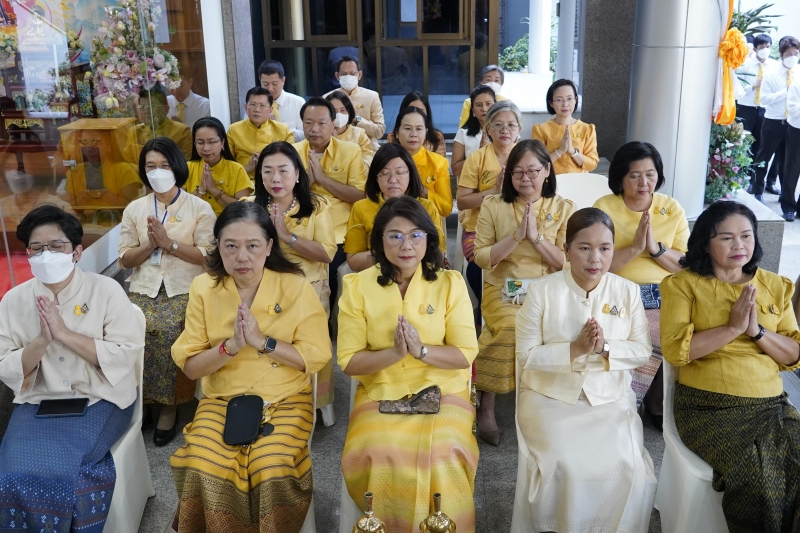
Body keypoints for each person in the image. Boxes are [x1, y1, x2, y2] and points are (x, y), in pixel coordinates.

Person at [170, 201, 332, 532]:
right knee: (203, 461)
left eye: (253, 246)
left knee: (269, 465)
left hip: (285, 397)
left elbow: (315, 356)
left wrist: (263, 342)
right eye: (231, 246)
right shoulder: (205, 288)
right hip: (222, 399)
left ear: (270, 246)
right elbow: (191, 368)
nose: (242, 257)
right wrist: (232, 346)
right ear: (218, 247)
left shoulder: (295, 286)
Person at [337, 196, 479, 532]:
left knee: (445, 453)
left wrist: (421, 351)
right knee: (375, 451)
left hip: (443, 387)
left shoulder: (450, 283)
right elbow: (349, 361)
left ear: (429, 239)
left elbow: (464, 353)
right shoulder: (357, 286)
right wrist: (396, 354)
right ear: (379, 240)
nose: (406, 245)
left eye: (416, 235)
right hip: (381, 389)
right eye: (395, 235)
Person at [0, 205, 145, 531]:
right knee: (9, 473)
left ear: (77, 251)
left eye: (56, 246)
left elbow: (125, 353)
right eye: (36, 248)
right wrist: (41, 341)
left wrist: (65, 334)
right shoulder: (13, 300)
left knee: (65, 472)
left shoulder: (105, 290)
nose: (45, 254)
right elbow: (4, 363)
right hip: (39, 401)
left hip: (101, 398)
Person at [660, 201, 800, 532]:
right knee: (759, 480)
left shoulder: (775, 286)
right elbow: (676, 350)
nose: (739, 246)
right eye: (726, 238)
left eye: (746, 236)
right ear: (705, 244)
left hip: (771, 406)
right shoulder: (683, 285)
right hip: (709, 407)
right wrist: (732, 329)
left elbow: (793, 353)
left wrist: (757, 332)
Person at [515, 207, 657, 532]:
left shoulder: (627, 291)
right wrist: (574, 350)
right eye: (584, 247)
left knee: (630, 468)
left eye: (605, 248)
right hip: (550, 394)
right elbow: (525, 356)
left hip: (609, 397)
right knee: (564, 463)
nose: (596, 258)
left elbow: (641, 351)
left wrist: (606, 348)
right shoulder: (541, 291)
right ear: (566, 250)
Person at [472, 140, 575, 445]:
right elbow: (481, 257)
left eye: (532, 170)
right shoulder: (494, 205)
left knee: (564, 328)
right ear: (508, 175)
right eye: (518, 172)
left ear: (547, 170)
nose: (525, 178)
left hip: (548, 288)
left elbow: (566, 263)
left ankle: (550, 400)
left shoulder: (563, 207)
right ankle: (486, 404)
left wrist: (536, 238)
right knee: (507, 327)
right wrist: (517, 237)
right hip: (505, 286)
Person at [119, 137, 216, 446]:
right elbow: (124, 258)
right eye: (150, 166)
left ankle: (169, 408)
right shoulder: (135, 209)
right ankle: (144, 401)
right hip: (144, 287)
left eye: (163, 165)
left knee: (168, 329)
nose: (157, 172)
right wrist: (150, 244)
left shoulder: (199, 208)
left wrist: (170, 244)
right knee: (132, 330)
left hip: (185, 287)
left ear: (176, 167)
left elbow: (208, 256)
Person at [593, 142, 689, 430]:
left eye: (650, 174)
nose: (644, 182)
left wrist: (656, 249)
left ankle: (649, 400)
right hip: (618, 288)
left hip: (664, 291)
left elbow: (686, 264)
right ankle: (632, 400)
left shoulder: (671, 208)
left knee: (672, 327)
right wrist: (636, 248)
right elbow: (597, 264)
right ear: (620, 178)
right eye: (635, 175)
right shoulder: (604, 208)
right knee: (647, 329)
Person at [247, 141, 338, 421]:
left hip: (307, 285)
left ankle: (315, 400)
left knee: (307, 331)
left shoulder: (317, 206)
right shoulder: (250, 207)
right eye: (268, 171)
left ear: (298, 174)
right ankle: (261, 392)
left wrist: (287, 237)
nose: (275, 179)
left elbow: (327, 253)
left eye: (283, 171)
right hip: (261, 286)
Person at [292, 97, 367, 312]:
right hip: (301, 227)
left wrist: (324, 180)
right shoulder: (292, 152)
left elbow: (360, 195)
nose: (314, 128)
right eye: (308, 123)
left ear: (333, 123)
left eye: (321, 123)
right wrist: (307, 181)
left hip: (338, 230)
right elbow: (284, 195)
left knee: (333, 271)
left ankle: (328, 324)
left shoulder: (350, 151)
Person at [457, 100, 522, 320]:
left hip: (517, 229)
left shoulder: (525, 158)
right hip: (479, 230)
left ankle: (511, 306)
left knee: (525, 264)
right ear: (488, 129)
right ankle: (487, 310)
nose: (505, 130)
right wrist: (494, 191)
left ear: (519, 130)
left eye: (511, 125)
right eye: (498, 125)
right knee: (478, 268)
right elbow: (463, 201)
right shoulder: (477, 158)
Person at [344, 143, 446, 272]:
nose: (393, 180)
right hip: (376, 276)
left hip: (418, 276)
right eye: (385, 173)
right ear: (375, 177)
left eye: (399, 172)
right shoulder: (361, 208)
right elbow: (354, 261)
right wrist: (391, 252)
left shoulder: (427, 207)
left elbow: (437, 253)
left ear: (411, 174)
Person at [752, 36, 799, 210]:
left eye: (795, 53)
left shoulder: (798, 73)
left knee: (788, 161)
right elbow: (764, 100)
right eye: (788, 54)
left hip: (793, 125)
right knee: (764, 156)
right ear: (781, 55)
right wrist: (785, 92)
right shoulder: (771, 75)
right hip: (773, 122)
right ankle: (757, 189)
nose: (792, 57)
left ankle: (784, 195)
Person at [736, 33, 779, 193]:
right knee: (745, 143)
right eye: (762, 48)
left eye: (768, 47)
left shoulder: (774, 66)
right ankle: (741, 176)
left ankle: (756, 181)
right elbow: (737, 88)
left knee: (761, 145)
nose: (765, 50)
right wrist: (753, 85)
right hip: (747, 108)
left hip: (764, 109)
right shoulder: (745, 64)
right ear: (755, 48)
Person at [184, 117, 253, 216]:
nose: (206, 148)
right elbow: (179, 207)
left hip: (227, 226)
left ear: (222, 142)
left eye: (212, 142)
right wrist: (201, 189)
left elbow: (242, 210)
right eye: (200, 142)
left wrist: (214, 190)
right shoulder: (187, 168)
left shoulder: (236, 169)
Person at [391, 106, 452, 217]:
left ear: (426, 133)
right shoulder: (386, 160)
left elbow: (446, 208)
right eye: (407, 128)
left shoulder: (438, 163)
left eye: (419, 129)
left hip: (426, 223)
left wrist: (424, 192)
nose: (413, 134)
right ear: (396, 133)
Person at [531, 79, 599, 175]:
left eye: (569, 98)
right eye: (559, 100)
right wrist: (560, 151)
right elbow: (537, 164)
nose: (565, 104)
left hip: (579, 183)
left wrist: (572, 151)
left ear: (575, 100)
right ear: (551, 103)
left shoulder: (587, 129)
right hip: (551, 184)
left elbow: (592, 164)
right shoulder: (540, 130)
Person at [227, 87, 294, 178]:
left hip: (275, 180)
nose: (257, 110)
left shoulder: (283, 130)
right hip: (244, 180)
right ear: (246, 107)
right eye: (253, 104)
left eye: (262, 105)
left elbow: (292, 162)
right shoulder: (234, 130)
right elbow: (227, 165)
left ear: (271, 110)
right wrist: (247, 168)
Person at [323, 55, 385, 151]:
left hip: (367, 150)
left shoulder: (371, 96)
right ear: (337, 76)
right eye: (344, 74)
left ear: (359, 75)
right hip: (337, 150)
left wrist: (357, 119)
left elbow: (379, 132)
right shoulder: (328, 98)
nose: (348, 77)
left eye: (352, 73)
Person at [124, 85, 193, 164]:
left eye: (152, 106)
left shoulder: (182, 131)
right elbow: (128, 164)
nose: (146, 111)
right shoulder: (134, 132)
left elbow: (185, 166)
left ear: (166, 109)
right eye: (142, 107)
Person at [452, 85, 496, 177]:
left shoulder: (508, 131)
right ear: (472, 111)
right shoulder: (463, 134)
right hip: (471, 187)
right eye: (479, 105)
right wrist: (479, 154)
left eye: (488, 104)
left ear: (496, 105)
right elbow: (456, 170)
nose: (484, 109)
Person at [386, 92, 447, 157]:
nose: (416, 113)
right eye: (411, 109)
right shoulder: (393, 137)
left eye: (421, 110)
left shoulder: (436, 136)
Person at [258, 59, 306, 140]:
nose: (270, 88)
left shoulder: (298, 102)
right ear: (260, 80)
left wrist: (280, 128)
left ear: (283, 80)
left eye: (274, 84)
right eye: (265, 84)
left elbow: (305, 134)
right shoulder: (255, 103)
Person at [326, 91, 375, 168]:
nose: (339, 115)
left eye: (343, 110)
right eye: (334, 111)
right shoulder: (320, 134)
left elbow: (367, 164)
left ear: (349, 112)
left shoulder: (359, 135)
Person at [781, 73, 800, 219]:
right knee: (792, 168)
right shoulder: (796, 85)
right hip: (796, 131)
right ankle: (788, 205)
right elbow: (793, 110)